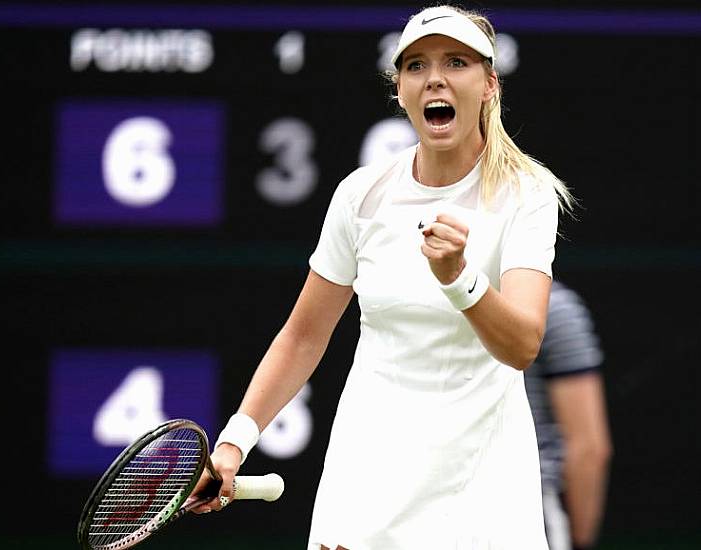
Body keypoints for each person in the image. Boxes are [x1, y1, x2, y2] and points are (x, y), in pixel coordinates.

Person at [191, 5, 575, 549]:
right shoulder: (360, 195)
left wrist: (459, 278)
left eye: (457, 62)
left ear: (489, 85)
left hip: (483, 491)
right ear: (399, 89)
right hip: (366, 480)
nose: (435, 77)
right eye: (416, 66)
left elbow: (522, 343)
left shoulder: (527, 195)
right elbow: (303, 336)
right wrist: (231, 446)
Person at [525, 282, 612, 550]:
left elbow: (589, 450)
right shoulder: (554, 304)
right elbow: (589, 448)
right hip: (531, 512)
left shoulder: (553, 308)